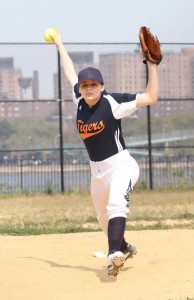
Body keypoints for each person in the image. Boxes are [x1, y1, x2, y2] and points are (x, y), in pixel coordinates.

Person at [50, 29, 159, 276]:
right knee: (103, 219)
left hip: (121, 165)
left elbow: (151, 97)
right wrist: (59, 44)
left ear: (102, 86)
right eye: (84, 84)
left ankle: (114, 255)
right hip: (97, 172)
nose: (88, 88)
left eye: (93, 84)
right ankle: (123, 247)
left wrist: (151, 65)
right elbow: (69, 72)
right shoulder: (79, 99)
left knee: (116, 204)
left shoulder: (113, 102)